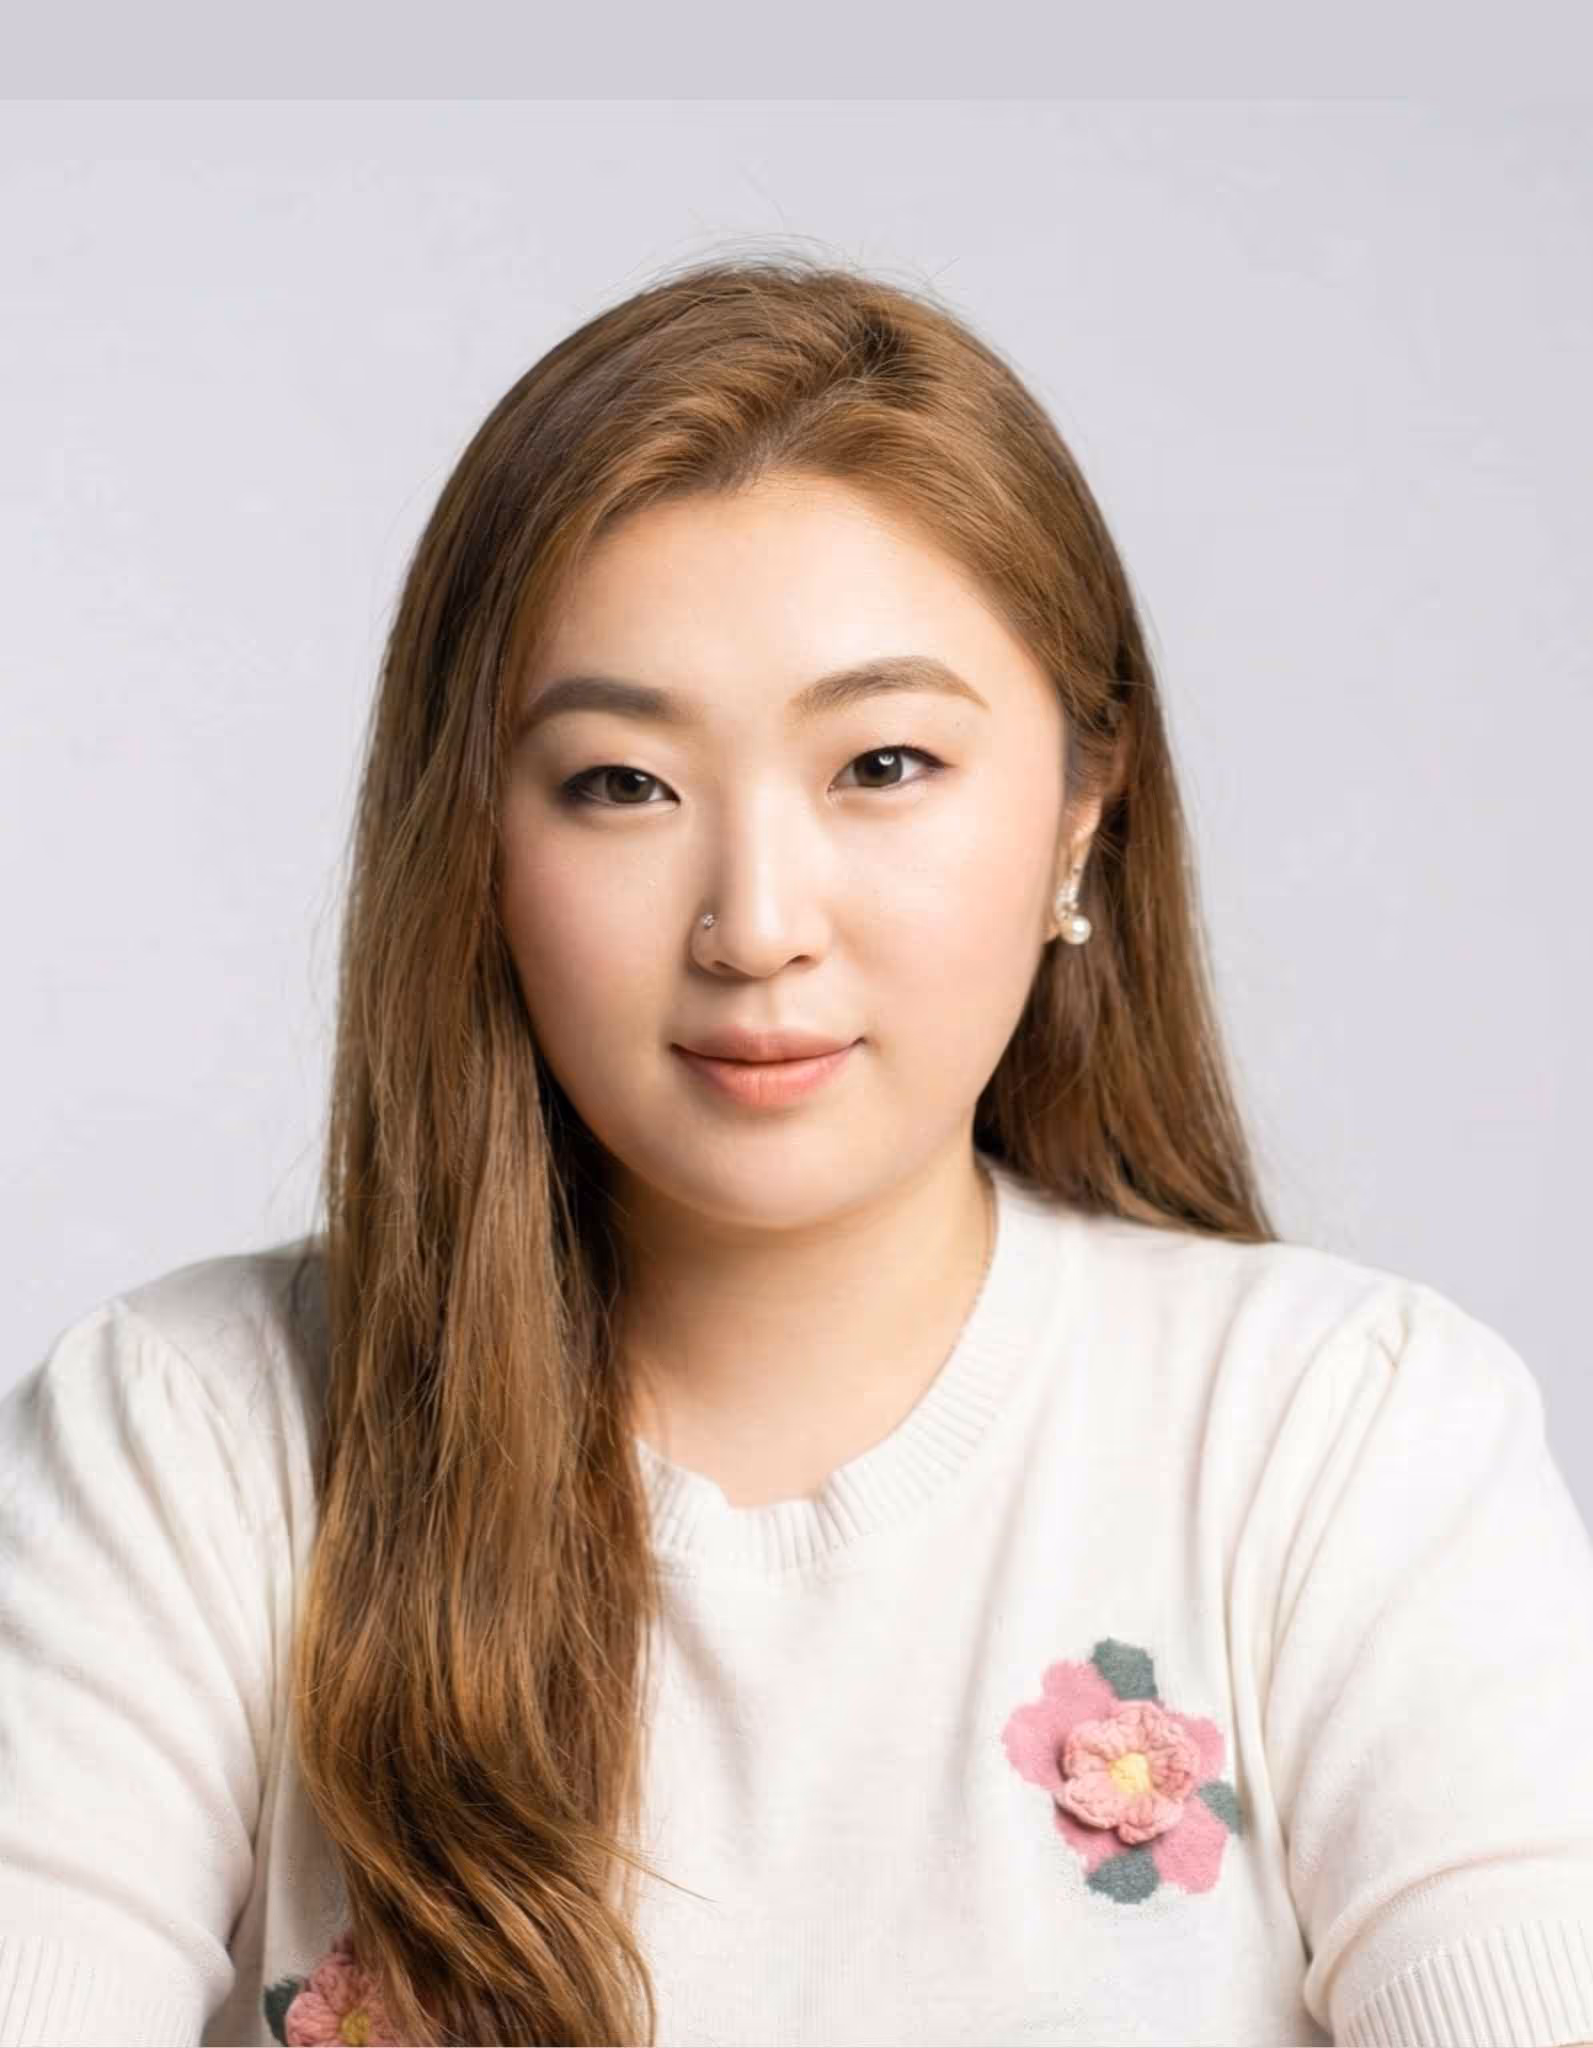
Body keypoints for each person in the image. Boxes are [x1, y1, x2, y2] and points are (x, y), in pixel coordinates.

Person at [3, 253, 1592, 2048]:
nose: (756, 925)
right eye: (622, 783)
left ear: (1084, 810)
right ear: (475, 843)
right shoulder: (190, 1445)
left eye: (884, 765)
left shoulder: (1343, 1445)